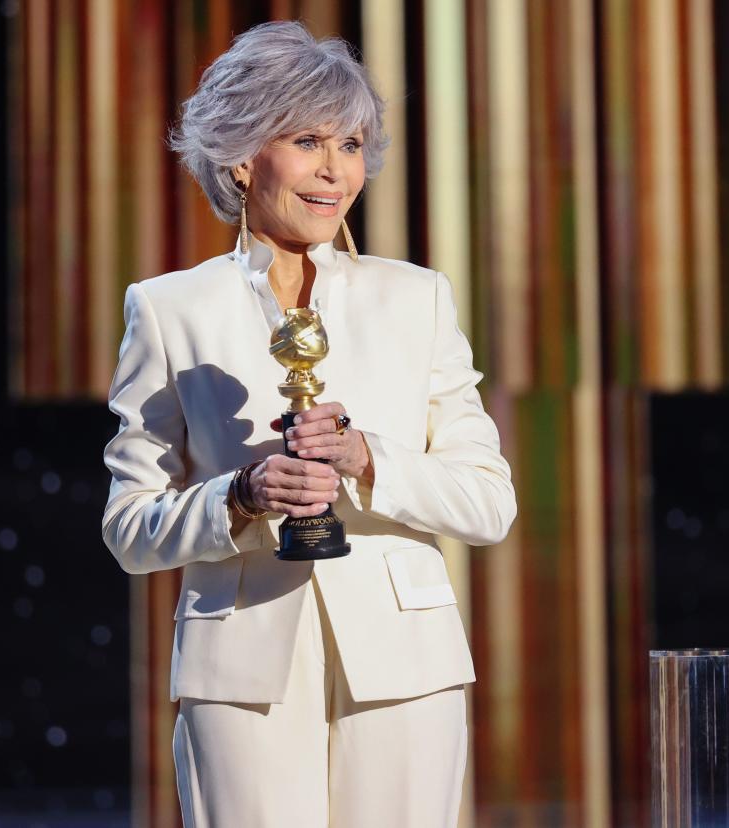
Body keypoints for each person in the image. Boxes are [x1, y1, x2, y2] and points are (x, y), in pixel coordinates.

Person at [102, 20, 517, 828]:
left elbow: (488, 504)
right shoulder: (167, 308)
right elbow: (129, 530)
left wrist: (368, 458)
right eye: (308, 140)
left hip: (405, 669)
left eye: (353, 144)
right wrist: (241, 496)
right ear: (240, 155)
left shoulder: (417, 297)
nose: (337, 170)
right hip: (241, 675)